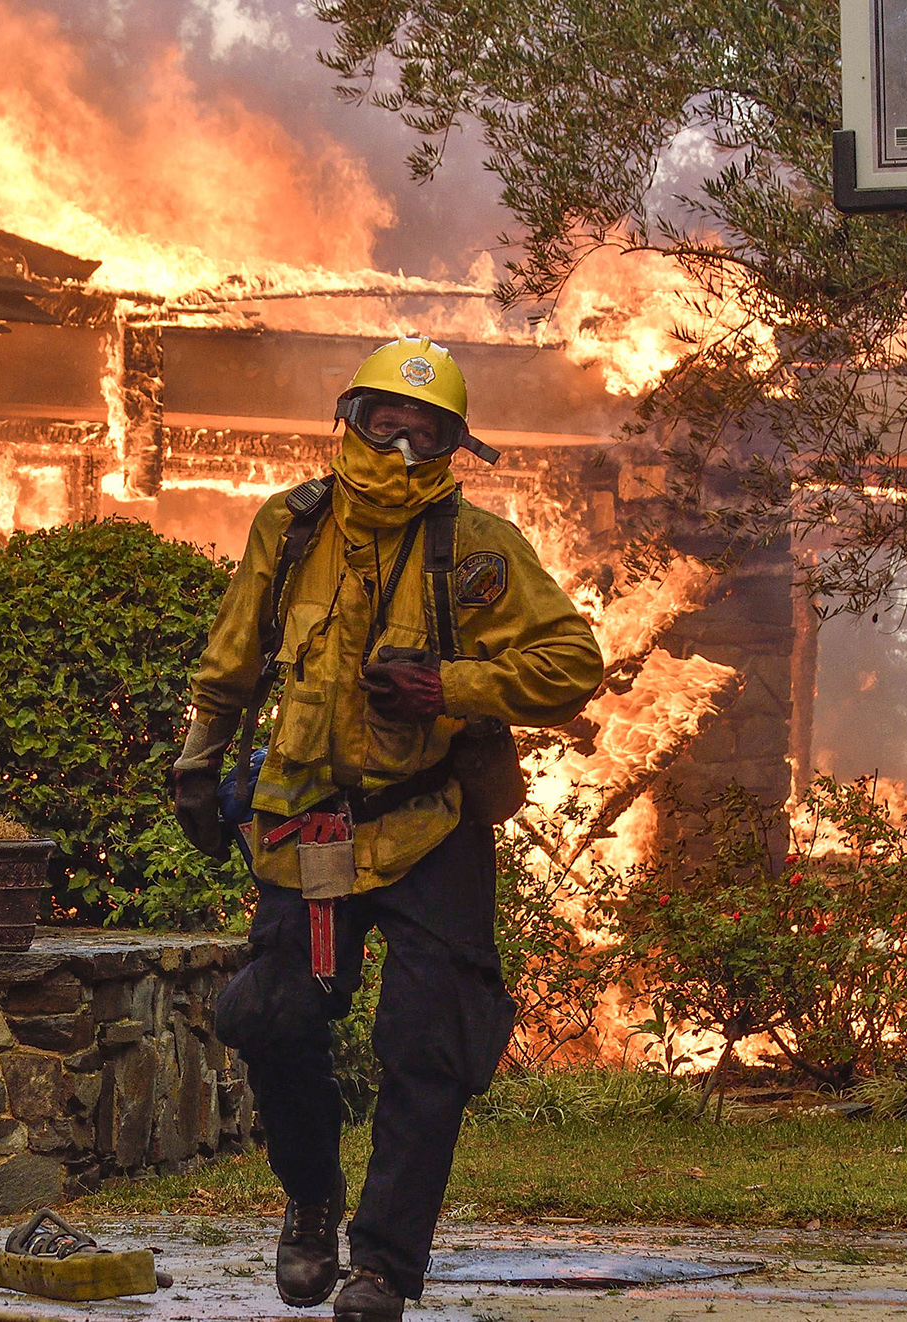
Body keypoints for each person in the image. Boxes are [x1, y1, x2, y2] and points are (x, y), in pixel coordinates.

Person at [171, 337, 604, 1322]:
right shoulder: (287, 528)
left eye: (431, 430)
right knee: (270, 1013)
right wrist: (197, 761)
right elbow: (234, 658)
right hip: (309, 825)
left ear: (459, 444)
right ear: (348, 422)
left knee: (428, 1046)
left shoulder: (479, 550)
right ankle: (311, 1196)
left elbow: (570, 662)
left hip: (429, 824)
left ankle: (383, 1266)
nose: (405, 445)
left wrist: (444, 685)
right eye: (386, 422)